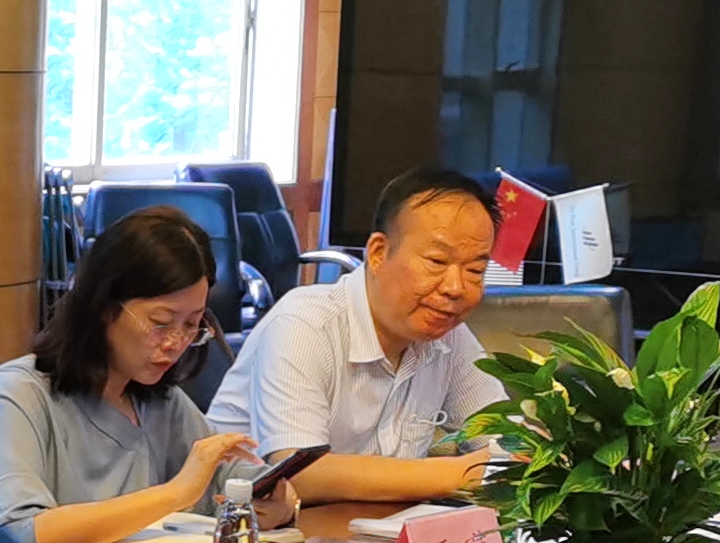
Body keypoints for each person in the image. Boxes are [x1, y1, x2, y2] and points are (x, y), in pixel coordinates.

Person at [0, 206, 287, 543]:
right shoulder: (12, 396)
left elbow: (229, 480)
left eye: (192, 325)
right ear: (104, 307)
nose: (176, 343)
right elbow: (20, 534)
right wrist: (175, 493)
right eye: (161, 322)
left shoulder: (159, 401)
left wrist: (275, 501)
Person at [206, 164, 506, 502]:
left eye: (475, 270)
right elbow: (299, 473)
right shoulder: (304, 324)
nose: (455, 287)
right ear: (378, 253)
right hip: (236, 530)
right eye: (437, 262)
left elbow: (507, 443)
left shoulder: (448, 336)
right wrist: (462, 473)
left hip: (365, 531)